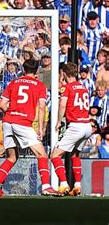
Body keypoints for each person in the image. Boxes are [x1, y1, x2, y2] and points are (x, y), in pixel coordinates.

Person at [0, 59, 62, 197]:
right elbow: (41, 107)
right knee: (42, 155)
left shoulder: (14, 82)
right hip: (22, 122)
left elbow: (2, 104)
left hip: (7, 121)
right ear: (36, 72)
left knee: (12, 157)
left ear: (23, 70)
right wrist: (40, 128)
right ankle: (46, 186)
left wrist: (12, 113)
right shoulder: (40, 85)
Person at [50, 62, 92, 196]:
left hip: (76, 126)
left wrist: (58, 122)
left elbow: (62, 105)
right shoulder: (83, 87)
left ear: (64, 74)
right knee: (75, 155)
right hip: (87, 126)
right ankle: (77, 185)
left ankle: (63, 184)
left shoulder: (67, 88)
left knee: (55, 155)